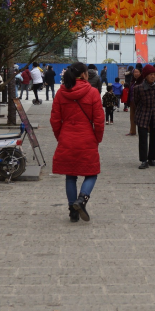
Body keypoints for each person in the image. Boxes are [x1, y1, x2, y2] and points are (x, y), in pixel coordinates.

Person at [50, 62, 105, 223]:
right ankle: (81, 200)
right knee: (92, 173)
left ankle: (72, 212)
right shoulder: (93, 93)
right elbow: (99, 121)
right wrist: (97, 138)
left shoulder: (61, 93)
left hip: (67, 137)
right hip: (87, 138)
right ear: (84, 74)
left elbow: (54, 119)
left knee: (70, 175)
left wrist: (60, 136)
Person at [133, 64, 155, 169]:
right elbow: (136, 101)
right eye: (150, 74)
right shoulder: (138, 88)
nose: (153, 76)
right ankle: (143, 160)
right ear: (146, 76)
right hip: (143, 114)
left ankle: (152, 158)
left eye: (154, 74)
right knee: (143, 137)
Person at [127, 67, 142, 136]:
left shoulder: (142, 81)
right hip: (131, 101)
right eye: (134, 72)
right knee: (132, 117)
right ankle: (132, 131)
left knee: (141, 117)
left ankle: (144, 130)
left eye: (137, 72)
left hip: (139, 102)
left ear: (140, 73)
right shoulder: (132, 81)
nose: (136, 74)